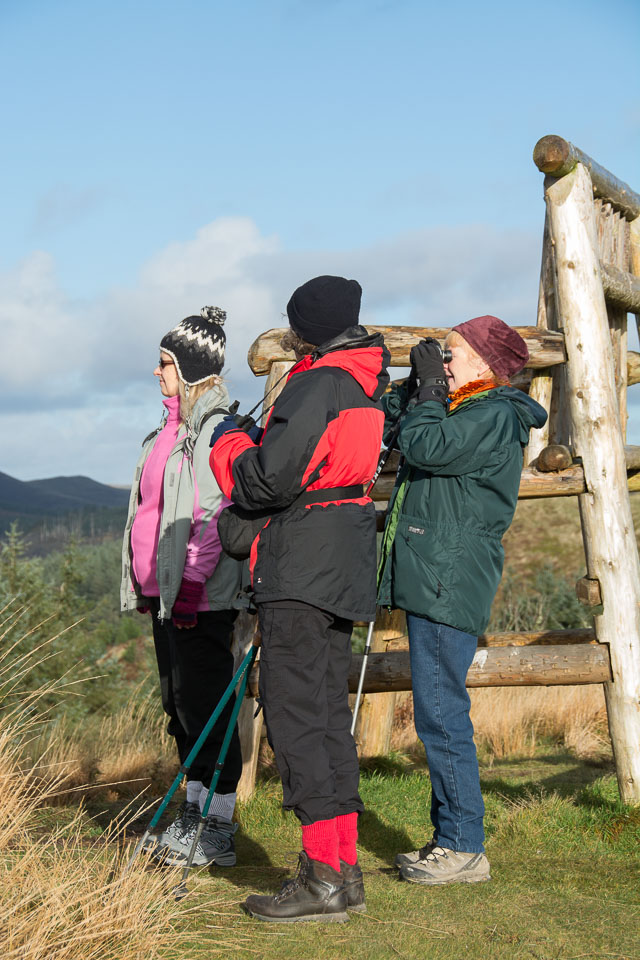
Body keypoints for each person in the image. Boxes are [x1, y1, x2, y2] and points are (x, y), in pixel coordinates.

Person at [209, 275, 390, 922]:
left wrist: (228, 444)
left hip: (300, 566)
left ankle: (320, 878)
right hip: (343, 560)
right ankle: (343, 871)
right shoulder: (367, 381)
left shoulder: (317, 384)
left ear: (304, 326)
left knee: (294, 717)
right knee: (325, 715)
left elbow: (266, 483)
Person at [377, 315, 547, 885]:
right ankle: (449, 839)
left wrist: (426, 391)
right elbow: (404, 429)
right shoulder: (465, 408)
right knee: (438, 711)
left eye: (452, 355)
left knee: (443, 714)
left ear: (485, 363)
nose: (443, 364)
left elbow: (427, 446)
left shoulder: (494, 415)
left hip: (449, 576)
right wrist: (408, 387)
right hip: (437, 571)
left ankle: (463, 846)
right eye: (442, 356)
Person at [121, 306, 244, 868]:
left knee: (208, 707)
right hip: (166, 598)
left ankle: (217, 828)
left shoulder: (212, 430)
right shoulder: (167, 431)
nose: (157, 373)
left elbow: (215, 514)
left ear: (192, 371)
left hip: (202, 598)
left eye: (165, 363)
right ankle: (192, 815)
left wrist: (192, 586)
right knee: (179, 706)